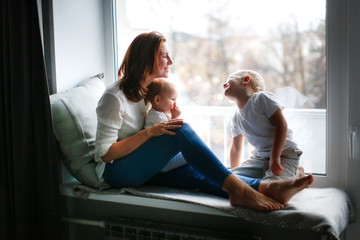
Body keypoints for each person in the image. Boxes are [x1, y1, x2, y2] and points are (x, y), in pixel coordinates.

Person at [94, 31, 313, 211]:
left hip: (142, 165)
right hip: (116, 172)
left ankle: (266, 189)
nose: (170, 61)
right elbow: (104, 153)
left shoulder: (146, 94)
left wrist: (161, 129)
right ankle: (240, 190)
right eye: (164, 56)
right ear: (147, 58)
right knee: (179, 129)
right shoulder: (114, 97)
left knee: (194, 172)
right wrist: (151, 133)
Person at [223, 69, 303, 180]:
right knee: (227, 178)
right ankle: (288, 174)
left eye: (229, 79)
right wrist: (233, 179)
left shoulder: (261, 99)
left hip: (283, 154)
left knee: (272, 186)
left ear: (246, 80)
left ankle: (297, 174)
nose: (224, 84)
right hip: (259, 159)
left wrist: (275, 158)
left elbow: (281, 125)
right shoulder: (236, 118)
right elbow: (236, 148)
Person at [144, 78, 187, 172]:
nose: (175, 103)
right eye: (172, 99)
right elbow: (171, 134)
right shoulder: (156, 117)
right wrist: (175, 117)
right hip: (161, 163)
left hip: (163, 159)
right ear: (158, 100)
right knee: (192, 154)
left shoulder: (160, 114)